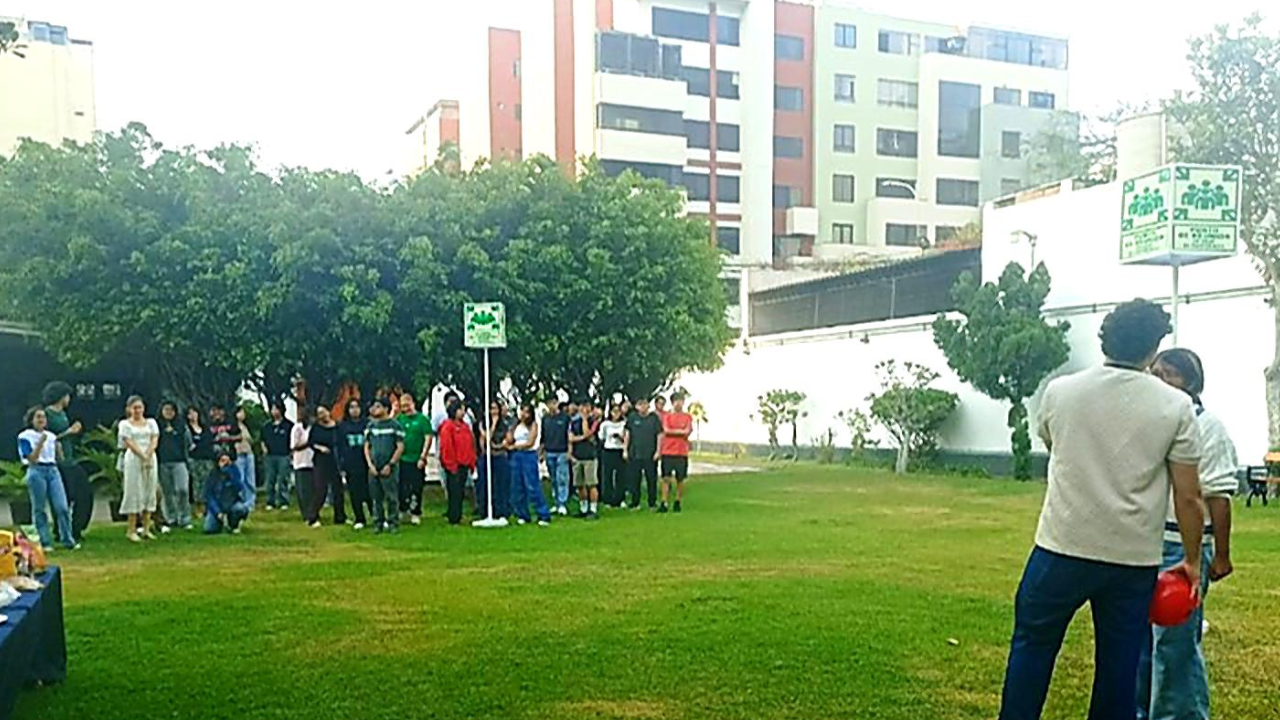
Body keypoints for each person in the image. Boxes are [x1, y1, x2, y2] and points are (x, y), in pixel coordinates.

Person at [998, 299, 1205, 720]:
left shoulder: (1061, 392)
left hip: (1061, 545)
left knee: (1032, 647)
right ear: (1154, 347)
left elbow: (1055, 445)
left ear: (1104, 340)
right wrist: (1191, 559)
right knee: (1119, 666)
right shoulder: (1176, 406)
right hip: (1131, 559)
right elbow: (1188, 496)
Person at [1136, 348, 1238, 720]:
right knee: (1140, 641)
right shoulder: (1150, 421)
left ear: (1191, 382)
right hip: (1142, 542)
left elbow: (1218, 496)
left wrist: (1221, 554)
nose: (1160, 380)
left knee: (1174, 644)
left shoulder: (1207, 427)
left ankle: (1179, 715)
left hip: (1182, 546)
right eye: (1155, 372)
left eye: (1170, 374)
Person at [17, 407, 78, 552]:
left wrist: (59, 450)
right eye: (38, 417)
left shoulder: (51, 436)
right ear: (31, 420)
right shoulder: (25, 436)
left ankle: (67, 539)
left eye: (43, 417)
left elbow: (59, 458)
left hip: (52, 470)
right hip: (36, 470)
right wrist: (40, 443)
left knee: (62, 507)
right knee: (39, 508)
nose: (41, 420)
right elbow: (31, 458)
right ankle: (45, 542)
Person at [41, 381, 92, 542]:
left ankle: (77, 526)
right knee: (64, 495)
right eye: (67, 395)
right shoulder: (47, 414)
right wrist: (69, 431)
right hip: (57, 460)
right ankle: (62, 530)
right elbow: (47, 438)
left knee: (84, 492)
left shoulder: (63, 413)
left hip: (69, 458)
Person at [118, 395, 161, 543]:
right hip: (134, 458)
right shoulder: (125, 424)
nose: (137, 410)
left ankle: (146, 529)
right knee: (134, 490)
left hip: (150, 457)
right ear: (129, 409)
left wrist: (148, 454)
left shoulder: (151, 423)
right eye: (134, 408)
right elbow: (128, 442)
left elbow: (154, 439)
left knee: (149, 489)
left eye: (140, 407)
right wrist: (142, 455)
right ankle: (131, 530)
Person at [364, 397, 405, 534]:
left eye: (378, 406)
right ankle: (378, 522)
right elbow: (367, 446)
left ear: (386, 409)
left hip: (389, 466)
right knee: (376, 497)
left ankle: (393, 522)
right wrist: (370, 464)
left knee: (391, 496)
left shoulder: (395, 425)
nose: (374, 409)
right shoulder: (371, 426)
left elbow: (400, 447)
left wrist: (391, 464)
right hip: (374, 466)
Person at [508, 403, 551, 527]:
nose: (523, 414)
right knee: (518, 486)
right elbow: (510, 439)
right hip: (516, 456)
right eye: (522, 411)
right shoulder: (516, 425)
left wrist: (515, 446)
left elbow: (530, 442)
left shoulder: (533, 425)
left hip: (528, 455)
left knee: (532, 485)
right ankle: (523, 514)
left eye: (526, 412)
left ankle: (543, 513)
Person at [397, 392, 434, 526]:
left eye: (407, 405)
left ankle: (416, 512)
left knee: (416, 487)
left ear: (413, 403)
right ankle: (403, 509)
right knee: (402, 486)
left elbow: (428, 438)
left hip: (416, 458)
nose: (405, 409)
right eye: (403, 406)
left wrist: (423, 457)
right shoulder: (400, 419)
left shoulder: (422, 419)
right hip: (402, 458)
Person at [439, 400, 478, 526]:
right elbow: (446, 446)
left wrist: (472, 461)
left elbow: (470, 444)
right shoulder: (448, 426)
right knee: (454, 491)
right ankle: (453, 516)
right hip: (453, 464)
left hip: (464, 464)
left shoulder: (465, 426)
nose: (463, 412)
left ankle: (458, 514)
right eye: (460, 409)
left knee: (460, 491)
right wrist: (450, 464)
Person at [156, 400, 193, 530]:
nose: (168, 412)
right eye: (166, 409)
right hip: (163, 462)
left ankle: (185, 518)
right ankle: (171, 518)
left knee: (182, 489)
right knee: (167, 493)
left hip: (179, 461)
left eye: (171, 410)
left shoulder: (181, 426)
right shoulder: (157, 426)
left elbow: (189, 443)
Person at [307, 405, 344, 528]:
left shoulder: (337, 427)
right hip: (320, 461)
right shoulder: (316, 428)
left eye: (324, 412)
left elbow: (342, 442)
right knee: (320, 489)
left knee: (337, 489)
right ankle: (313, 517)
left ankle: (340, 517)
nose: (322, 415)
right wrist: (319, 448)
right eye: (319, 413)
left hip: (335, 460)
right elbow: (310, 442)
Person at [623, 398, 663, 511]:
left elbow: (660, 435)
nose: (643, 406)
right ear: (636, 406)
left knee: (651, 479)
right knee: (635, 479)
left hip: (650, 454)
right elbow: (627, 434)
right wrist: (625, 450)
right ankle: (635, 502)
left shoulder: (654, 418)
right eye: (640, 404)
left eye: (645, 404)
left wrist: (658, 451)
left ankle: (652, 503)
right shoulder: (632, 418)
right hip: (635, 453)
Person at [339, 398, 372, 530]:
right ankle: (360, 518)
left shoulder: (367, 424)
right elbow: (340, 446)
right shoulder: (343, 426)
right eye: (351, 407)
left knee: (369, 492)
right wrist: (342, 465)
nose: (354, 410)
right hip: (351, 464)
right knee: (354, 492)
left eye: (357, 407)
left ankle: (376, 516)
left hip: (366, 463)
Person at [476, 400, 512, 520]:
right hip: (487, 457)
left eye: (495, 408)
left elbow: (507, 440)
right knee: (485, 485)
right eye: (491, 408)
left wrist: (498, 446)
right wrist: (493, 425)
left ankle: (502, 511)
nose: (493, 412)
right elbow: (486, 439)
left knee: (501, 485)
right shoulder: (482, 424)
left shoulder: (505, 424)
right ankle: (485, 511)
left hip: (500, 456)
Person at [659, 392, 693, 514]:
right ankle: (664, 502)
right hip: (668, 451)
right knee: (666, 478)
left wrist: (676, 431)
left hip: (681, 452)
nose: (679, 403)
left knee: (680, 479)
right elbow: (666, 430)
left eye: (681, 401)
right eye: (676, 401)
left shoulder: (687, 417)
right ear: (672, 403)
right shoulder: (667, 416)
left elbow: (688, 431)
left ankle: (677, 501)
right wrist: (680, 431)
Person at [203, 451, 251, 535]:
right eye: (222, 461)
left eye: (227, 461)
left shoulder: (234, 471)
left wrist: (230, 472)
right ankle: (221, 522)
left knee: (241, 509)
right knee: (209, 528)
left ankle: (233, 524)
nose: (225, 463)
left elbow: (239, 488)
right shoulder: (213, 475)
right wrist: (217, 512)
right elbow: (209, 495)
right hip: (218, 505)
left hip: (232, 504)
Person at [569, 399, 601, 519]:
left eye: (586, 406)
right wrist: (581, 438)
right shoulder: (574, 422)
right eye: (582, 406)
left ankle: (593, 509)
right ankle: (583, 508)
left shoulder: (594, 421)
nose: (584, 409)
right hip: (577, 456)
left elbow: (587, 433)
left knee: (591, 484)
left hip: (590, 457)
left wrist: (584, 420)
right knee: (579, 485)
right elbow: (570, 438)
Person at [541, 397, 571, 516]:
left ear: (557, 403)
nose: (552, 406)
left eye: (554, 403)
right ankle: (556, 502)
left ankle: (562, 503)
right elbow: (543, 437)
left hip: (562, 451)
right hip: (549, 451)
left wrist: (569, 451)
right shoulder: (545, 419)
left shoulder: (565, 418)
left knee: (562, 478)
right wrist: (542, 452)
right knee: (553, 479)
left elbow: (569, 435)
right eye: (549, 403)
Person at [261, 402, 294, 511]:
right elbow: (262, 440)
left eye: (276, 409)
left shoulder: (289, 425)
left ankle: (283, 501)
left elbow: (292, 441)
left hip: (284, 455)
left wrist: (291, 454)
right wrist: (264, 449)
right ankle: (270, 501)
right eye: (272, 409)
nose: (274, 412)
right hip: (270, 456)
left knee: (283, 479)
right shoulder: (267, 426)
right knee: (270, 479)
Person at [599, 404, 628, 508]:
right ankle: (608, 499)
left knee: (621, 476)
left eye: (618, 411)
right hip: (608, 450)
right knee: (607, 475)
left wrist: (620, 438)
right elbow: (601, 437)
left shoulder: (624, 423)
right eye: (614, 411)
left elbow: (627, 437)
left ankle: (620, 498)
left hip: (619, 450)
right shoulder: (605, 424)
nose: (616, 414)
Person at [290, 407, 315, 522]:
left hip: (312, 462)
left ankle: (313, 512)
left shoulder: (313, 428)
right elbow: (294, 446)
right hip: (301, 462)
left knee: (313, 489)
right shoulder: (297, 428)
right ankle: (306, 514)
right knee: (303, 491)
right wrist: (308, 443)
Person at [186, 406, 215, 506]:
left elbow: (209, 441)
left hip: (207, 458)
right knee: (196, 483)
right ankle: (198, 503)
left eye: (194, 412)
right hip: (194, 459)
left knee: (208, 481)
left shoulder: (205, 428)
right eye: (190, 413)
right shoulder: (187, 429)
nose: (193, 415)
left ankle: (208, 503)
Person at [233, 406, 257, 510]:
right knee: (240, 479)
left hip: (248, 453)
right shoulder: (233, 427)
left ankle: (250, 503)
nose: (243, 414)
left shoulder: (245, 426)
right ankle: (241, 502)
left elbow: (251, 440)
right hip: (239, 454)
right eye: (240, 412)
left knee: (250, 480)